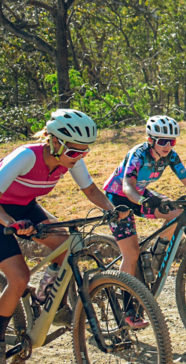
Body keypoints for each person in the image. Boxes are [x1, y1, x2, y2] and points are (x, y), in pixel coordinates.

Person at [0, 109, 129, 362]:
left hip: (24, 207)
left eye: (84, 152)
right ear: (54, 142)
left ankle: (47, 298)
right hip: (1, 211)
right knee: (19, 277)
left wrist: (113, 210)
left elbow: (91, 191)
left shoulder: (70, 159)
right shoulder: (26, 156)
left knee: (66, 246)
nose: (78, 157)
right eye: (73, 152)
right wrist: (9, 223)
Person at [102, 115, 186, 328]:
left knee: (176, 213)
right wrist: (143, 201)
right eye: (162, 141)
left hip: (140, 194)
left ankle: (156, 254)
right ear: (151, 140)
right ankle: (128, 309)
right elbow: (127, 186)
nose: (168, 146)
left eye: (172, 141)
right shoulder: (138, 154)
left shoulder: (171, 156)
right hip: (118, 197)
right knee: (131, 254)